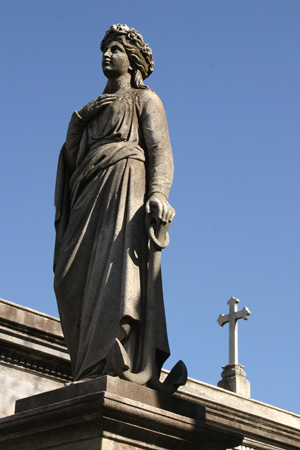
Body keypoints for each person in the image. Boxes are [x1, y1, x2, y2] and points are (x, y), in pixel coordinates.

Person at [54, 25, 183, 389]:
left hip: (126, 189)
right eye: (104, 50)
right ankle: (86, 368)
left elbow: (160, 152)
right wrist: (80, 118)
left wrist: (159, 193)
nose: (107, 55)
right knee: (69, 279)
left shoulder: (146, 101)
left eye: (115, 49)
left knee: (117, 273)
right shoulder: (92, 111)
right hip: (87, 197)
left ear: (132, 60)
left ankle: (120, 358)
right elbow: (70, 159)